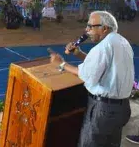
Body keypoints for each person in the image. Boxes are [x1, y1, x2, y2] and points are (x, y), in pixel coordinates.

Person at [49, 11, 134, 147]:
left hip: (104, 110)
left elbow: (87, 75)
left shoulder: (102, 48)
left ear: (104, 28)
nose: (87, 30)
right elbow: (103, 66)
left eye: (90, 26)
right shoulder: (122, 42)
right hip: (121, 108)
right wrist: (79, 53)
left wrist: (61, 64)